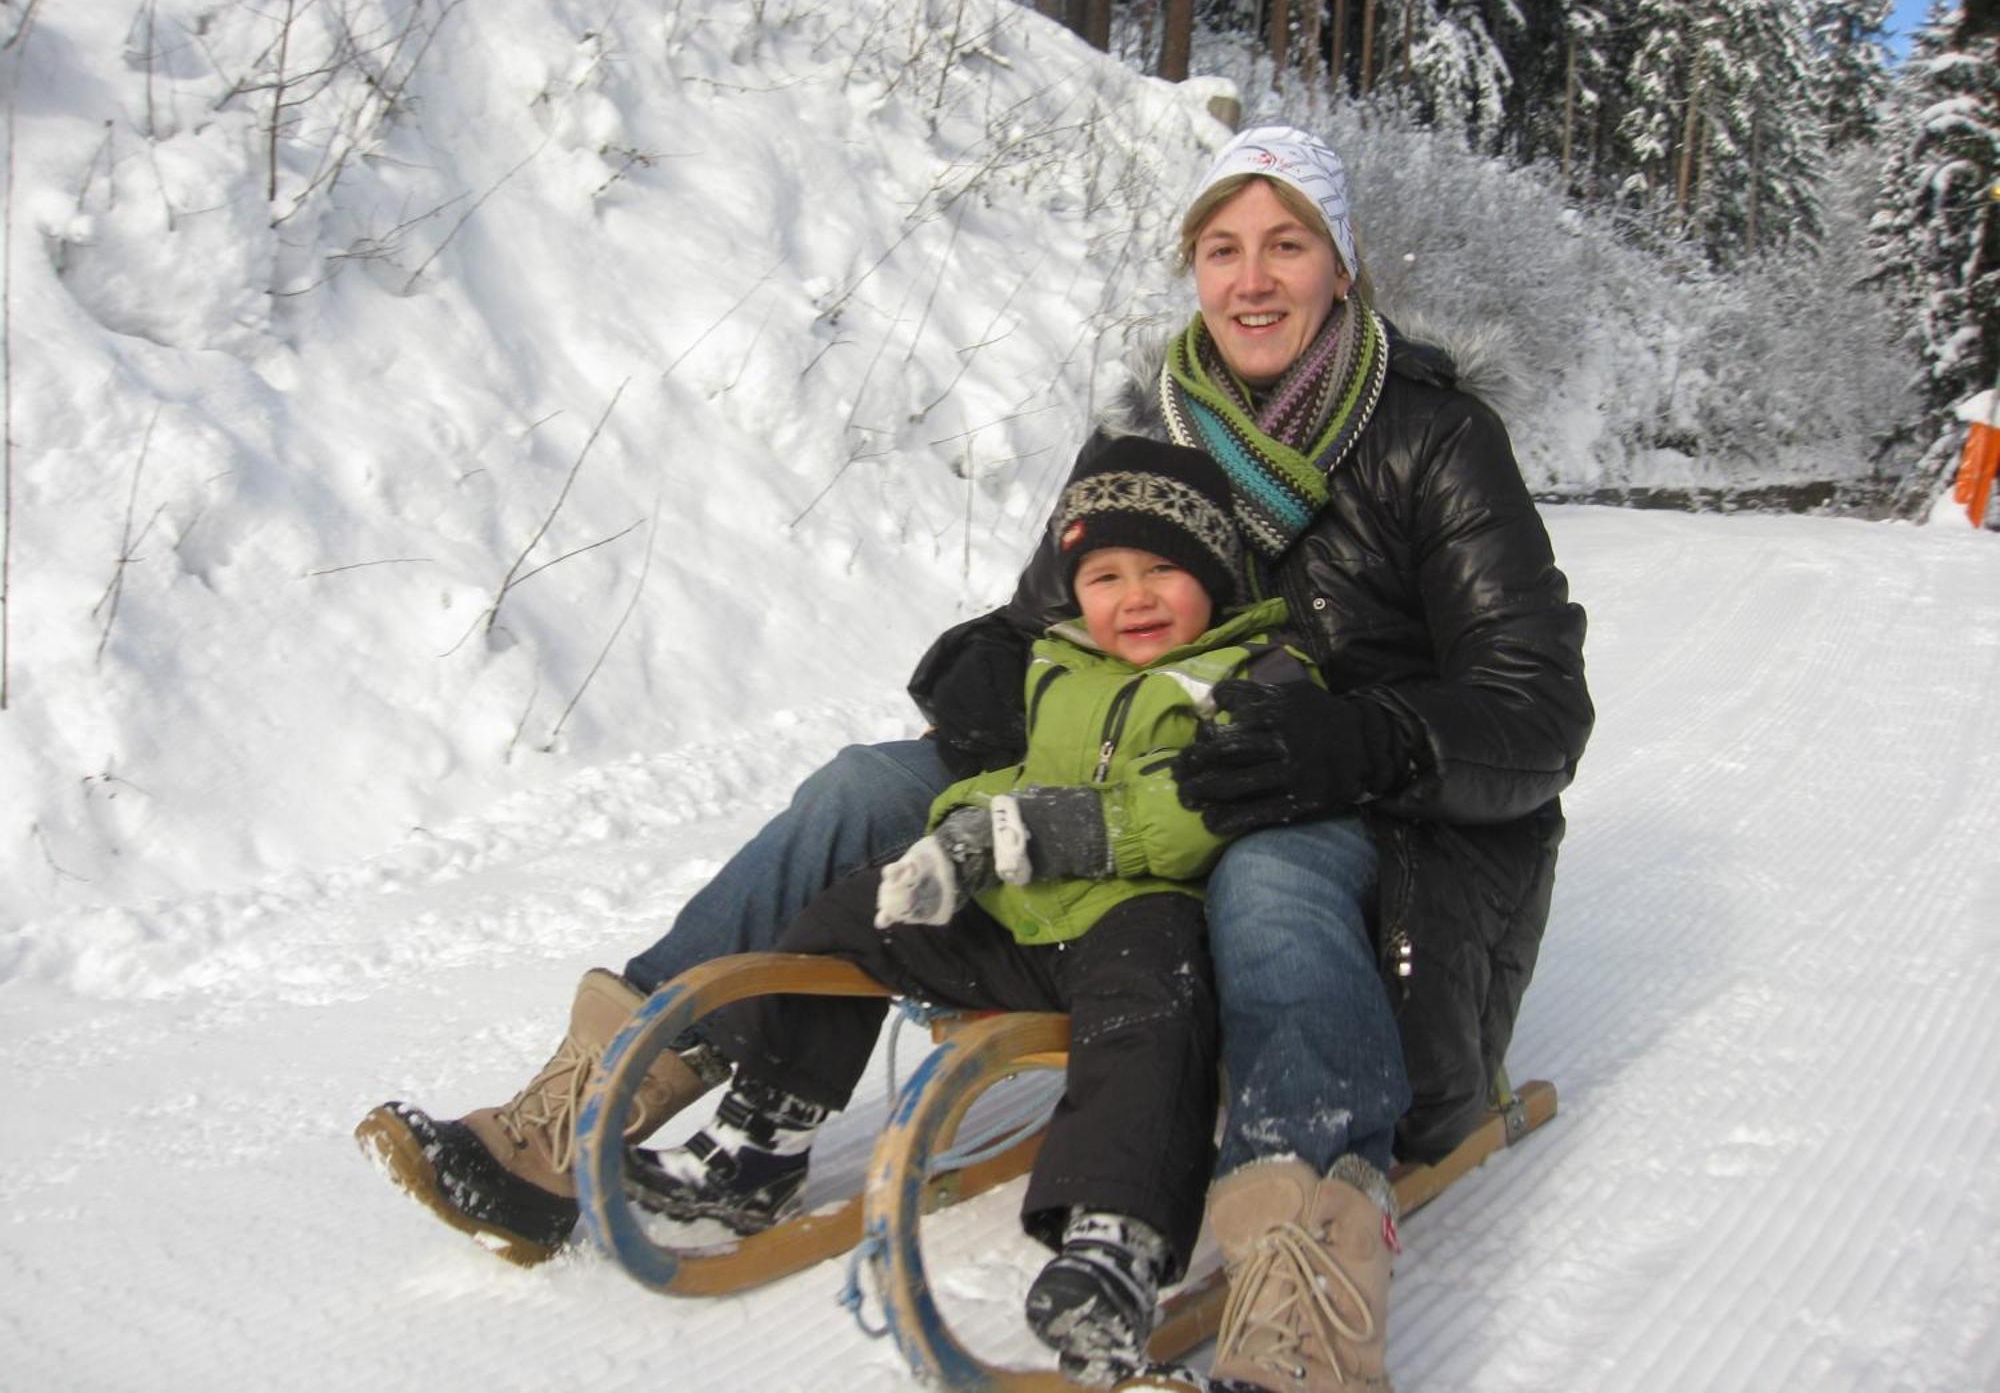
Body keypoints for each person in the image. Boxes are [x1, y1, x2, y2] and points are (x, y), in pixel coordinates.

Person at [357, 122, 1593, 1393]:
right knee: (860, 788)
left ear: (1343, 264)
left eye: (1287, 244)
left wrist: (1369, 734)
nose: (1252, 279)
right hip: (1125, 792)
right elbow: (1047, 618)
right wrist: (989, 665)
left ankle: (1303, 1285)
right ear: (1191, 268)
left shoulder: (1433, 441)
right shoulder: (1150, 424)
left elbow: (1537, 710)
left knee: (1268, 878)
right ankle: (582, 1106)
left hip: (1342, 814)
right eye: (1221, 248)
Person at [622, 437, 1311, 1380]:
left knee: (1157, 1010)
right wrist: (954, 838)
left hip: (1146, 915)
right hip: (1032, 921)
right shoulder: (1060, 666)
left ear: (1216, 576)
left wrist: (1054, 829)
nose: (1134, 597)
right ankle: (764, 1133)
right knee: (858, 913)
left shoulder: (1258, 675)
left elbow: (1205, 807)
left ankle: (1116, 1239)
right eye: (1104, 575)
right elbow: (1010, 777)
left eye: (1163, 570)